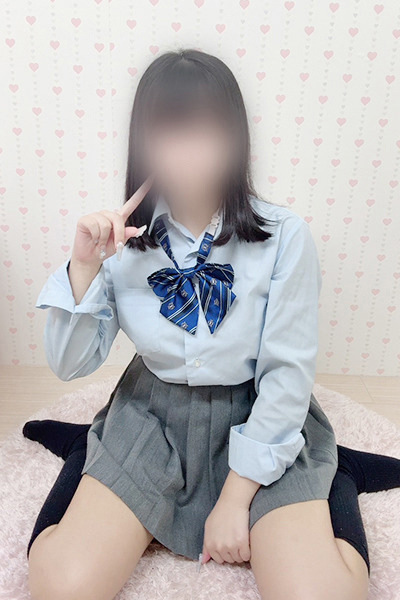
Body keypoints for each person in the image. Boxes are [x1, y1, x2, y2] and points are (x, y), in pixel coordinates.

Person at [24, 49, 400, 600]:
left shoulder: (284, 236)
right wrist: (83, 267)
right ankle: (91, 450)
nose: (190, 153)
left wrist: (235, 497)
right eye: (170, 133)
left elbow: (287, 373)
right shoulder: (120, 241)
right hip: (150, 416)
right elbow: (70, 364)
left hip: (257, 411)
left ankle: (334, 471)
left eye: (208, 131)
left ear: (236, 139)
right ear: (143, 142)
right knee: (61, 586)